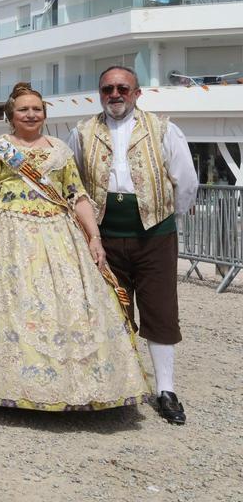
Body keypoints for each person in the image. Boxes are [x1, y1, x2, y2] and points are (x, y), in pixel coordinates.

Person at [0, 82, 149, 411]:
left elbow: (78, 195)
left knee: (70, 304)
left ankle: (81, 385)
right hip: (10, 235)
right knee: (15, 306)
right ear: (11, 115)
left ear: (44, 114)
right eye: (23, 110)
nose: (31, 115)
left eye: (37, 109)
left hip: (60, 235)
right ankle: (14, 382)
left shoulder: (60, 149)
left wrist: (94, 238)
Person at [66, 66, 197, 424]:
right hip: (104, 236)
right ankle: (117, 385)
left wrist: (165, 218)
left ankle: (166, 389)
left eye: (123, 87)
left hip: (154, 234)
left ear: (137, 93)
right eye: (107, 88)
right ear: (100, 94)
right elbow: (74, 183)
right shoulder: (82, 132)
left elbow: (185, 182)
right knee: (111, 310)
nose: (115, 94)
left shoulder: (163, 128)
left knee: (160, 309)